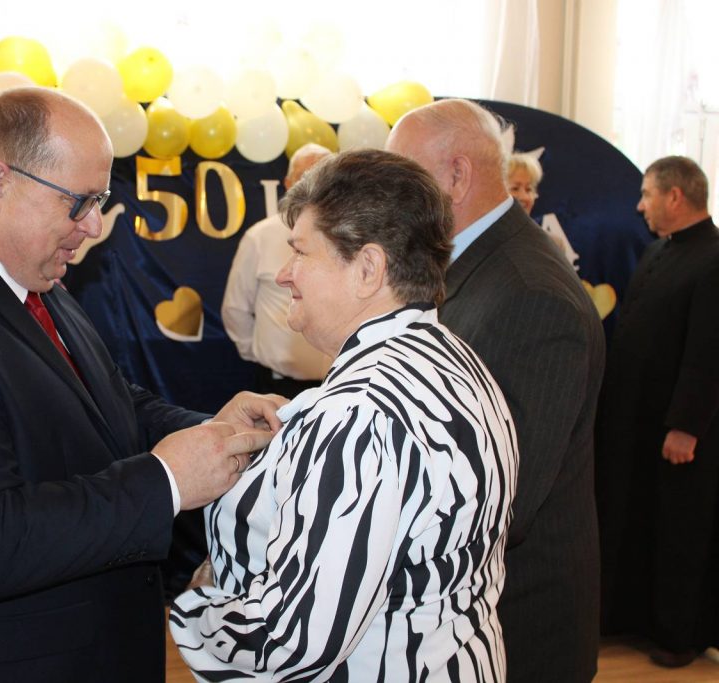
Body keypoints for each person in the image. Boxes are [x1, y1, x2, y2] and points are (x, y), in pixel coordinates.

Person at [0, 87, 281, 683]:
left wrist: (219, 433)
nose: (94, 226)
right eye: (80, 202)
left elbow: (112, 407)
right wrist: (168, 480)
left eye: (100, 201)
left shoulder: (39, 285)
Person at [170, 149, 518, 681]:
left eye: (300, 252)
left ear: (368, 269)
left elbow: (292, 641)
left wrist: (199, 608)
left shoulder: (359, 412)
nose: (284, 275)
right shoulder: (456, 357)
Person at [386, 99, 606, 683]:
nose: (391, 197)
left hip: (516, 627)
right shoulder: (471, 266)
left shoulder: (529, 294)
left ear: (457, 177)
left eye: (404, 177)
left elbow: (502, 497)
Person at [596, 155, 719, 668]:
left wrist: (685, 427)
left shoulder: (714, 259)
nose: (639, 205)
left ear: (675, 196)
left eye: (647, 194)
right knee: (635, 518)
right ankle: (632, 617)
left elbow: (708, 353)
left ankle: (677, 634)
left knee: (677, 530)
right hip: (637, 421)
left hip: (678, 430)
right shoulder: (657, 251)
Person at [222, 143, 333, 396]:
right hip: (277, 386)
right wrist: (259, 356)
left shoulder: (350, 240)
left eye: (325, 180)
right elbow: (235, 308)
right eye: (306, 178)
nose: (315, 189)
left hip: (339, 384)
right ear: (288, 183)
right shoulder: (260, 237)